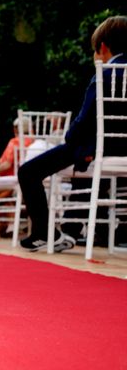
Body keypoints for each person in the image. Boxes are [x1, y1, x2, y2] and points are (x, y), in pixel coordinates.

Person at [18, 15, 127, 252]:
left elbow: (83, 123)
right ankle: (65, 231)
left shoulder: (106, 74)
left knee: (28, 171)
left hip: (98, 148)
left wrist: (71, 140)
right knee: (79, 167)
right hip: (122, 152)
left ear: (103, 47)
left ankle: (44, 232)